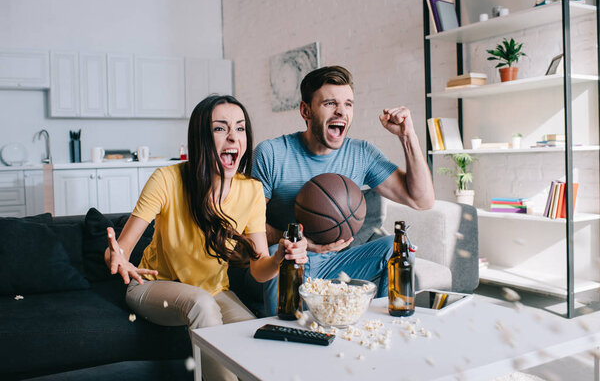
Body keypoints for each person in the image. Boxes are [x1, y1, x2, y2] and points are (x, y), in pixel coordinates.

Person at [103, 95, 307, 381]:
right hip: (151, 287)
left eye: (240, 128)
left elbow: (260, 271)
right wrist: (118, 258)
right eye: (220, 128)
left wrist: (279, 257)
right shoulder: (167, 179)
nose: (233, 137)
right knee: (200, 303)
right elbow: (118, 251)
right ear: (201, 138)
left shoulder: (251, 191)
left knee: (257, 342)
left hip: (214, 291)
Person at [231, 65, 434, 317]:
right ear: (306, 110)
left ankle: (380, 330)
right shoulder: (271, 153)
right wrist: (296, 241)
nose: (341, 111)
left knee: (397, 247)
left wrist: (407, 136)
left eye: (348, 104)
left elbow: (422, 200)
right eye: (330, 103)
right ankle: (280, 334)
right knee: (282, 256)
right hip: (282, 263)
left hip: (336, 264)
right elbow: (244, 228)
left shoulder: (361, 154)